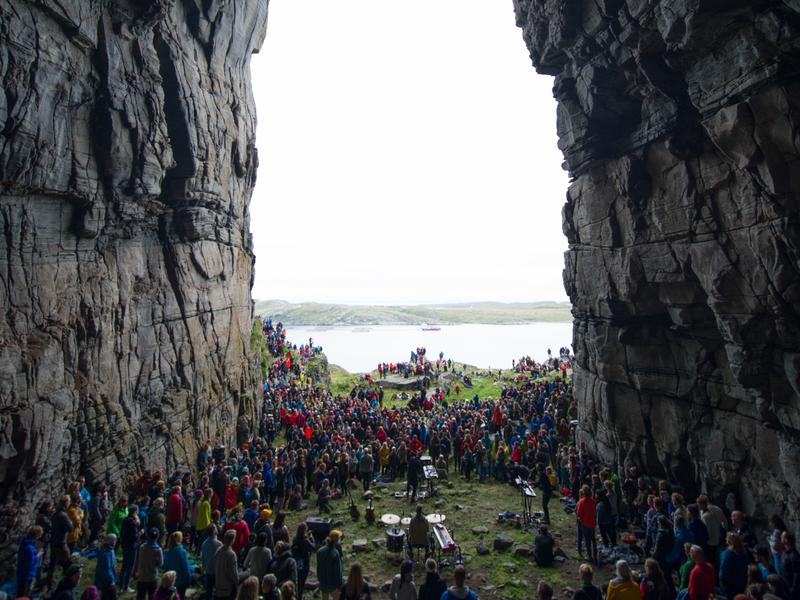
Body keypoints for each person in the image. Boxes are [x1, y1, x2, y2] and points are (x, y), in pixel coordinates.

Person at [134, 528, 163, 600]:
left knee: (140, 596)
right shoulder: (158, 550)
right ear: (157, 537)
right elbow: (161, 564)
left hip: (142, 576)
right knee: (152, 596)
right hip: (152, 577)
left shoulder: (142, 547)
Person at [720, 532, 750, 600]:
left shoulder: (727, 554)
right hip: (741, 582)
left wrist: (722, 583)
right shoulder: (744, 552)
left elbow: (723, 571)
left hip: (730, 585)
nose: (725, 539)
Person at [16, 526, 43, 598]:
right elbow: (30, 562)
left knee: (21, 593)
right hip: (26, 575)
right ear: (37, 535)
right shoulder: (29, 548)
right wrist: (38, 555)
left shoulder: (25, 543)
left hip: (21, 573)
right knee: (23, 595)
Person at [164, 531, 192, 600]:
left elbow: (166, 568)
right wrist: (188, 581)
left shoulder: (167, 553)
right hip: (181, 582)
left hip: (171, 582)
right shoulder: (182, 552)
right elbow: (185, 569)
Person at [119, 505, 140, 593]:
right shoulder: (133, 522)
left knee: (124, 565)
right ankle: (126, 586)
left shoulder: (125, 519)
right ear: (135, 512)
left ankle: (121, 583)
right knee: (130, 567)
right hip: (131, 546)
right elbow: (134, 536)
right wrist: (140, 533)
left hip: (125, 545)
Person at [316, 530, 343, 600]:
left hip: (323, 582)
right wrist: (340, 584)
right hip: (333, 584)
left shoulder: (320, 551)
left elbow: (318, 568)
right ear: (336, 540)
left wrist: (320, 580)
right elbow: (338, 571)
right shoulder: (335, 553)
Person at [290, 524, 315, 599]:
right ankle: (299, 596)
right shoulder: (305, 540)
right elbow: (313, 547)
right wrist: (311, 537)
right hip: (304, 563)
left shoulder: (295, 538)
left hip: (296, 561)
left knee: (297, 580)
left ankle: (296, 595)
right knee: (302, 581)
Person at [214, 529, 240, 600]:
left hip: (218, 584)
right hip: (227, 588)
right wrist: (237, 582)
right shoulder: (231, 554)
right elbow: (233, 573)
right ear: (233, 540)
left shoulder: (218, 550)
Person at [576, 486, 597, 563]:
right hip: (592, 522)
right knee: (593, 539)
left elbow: (579, 513)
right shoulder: (593, 501)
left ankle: (589, 556)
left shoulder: (582, 501)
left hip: (585, 523)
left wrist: (580, 519)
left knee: (587, 540)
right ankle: (595, 554)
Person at [201, 526, 222, 600]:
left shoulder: (204, 543)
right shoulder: (219, 544)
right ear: (214, 531)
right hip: (217, 571)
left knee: (209, 592)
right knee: (217, 591)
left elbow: (203, 559)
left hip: (208, 570)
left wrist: (203, 571)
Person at [95, 534, 117, 600]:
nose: (116, 542)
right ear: (112, 541)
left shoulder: (110, 550)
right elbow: (105, 570)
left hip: (108, 580)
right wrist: (111, 581)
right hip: (107, 582)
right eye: (115, 540)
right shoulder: (106, 554)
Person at [781, 531, 800, 600]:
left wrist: (793, 589)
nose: (781, 538)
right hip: (786, 588)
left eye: (782, 536)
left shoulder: (793, 556)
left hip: (793, 591)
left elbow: (797, 574)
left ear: (786, 539)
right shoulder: (785, 553)